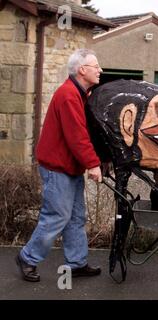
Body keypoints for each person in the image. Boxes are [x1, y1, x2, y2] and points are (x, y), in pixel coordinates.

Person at [15, 49, 103, 282]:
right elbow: (77, 136)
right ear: (82, 70)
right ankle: (28, 257)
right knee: (56, 217)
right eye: (96, 66)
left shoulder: (79, 93)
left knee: (75, 217)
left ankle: (76, 262)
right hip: (57, 170)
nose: (100, 70)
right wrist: (93, 164)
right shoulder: (68, 95)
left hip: (69, 168)